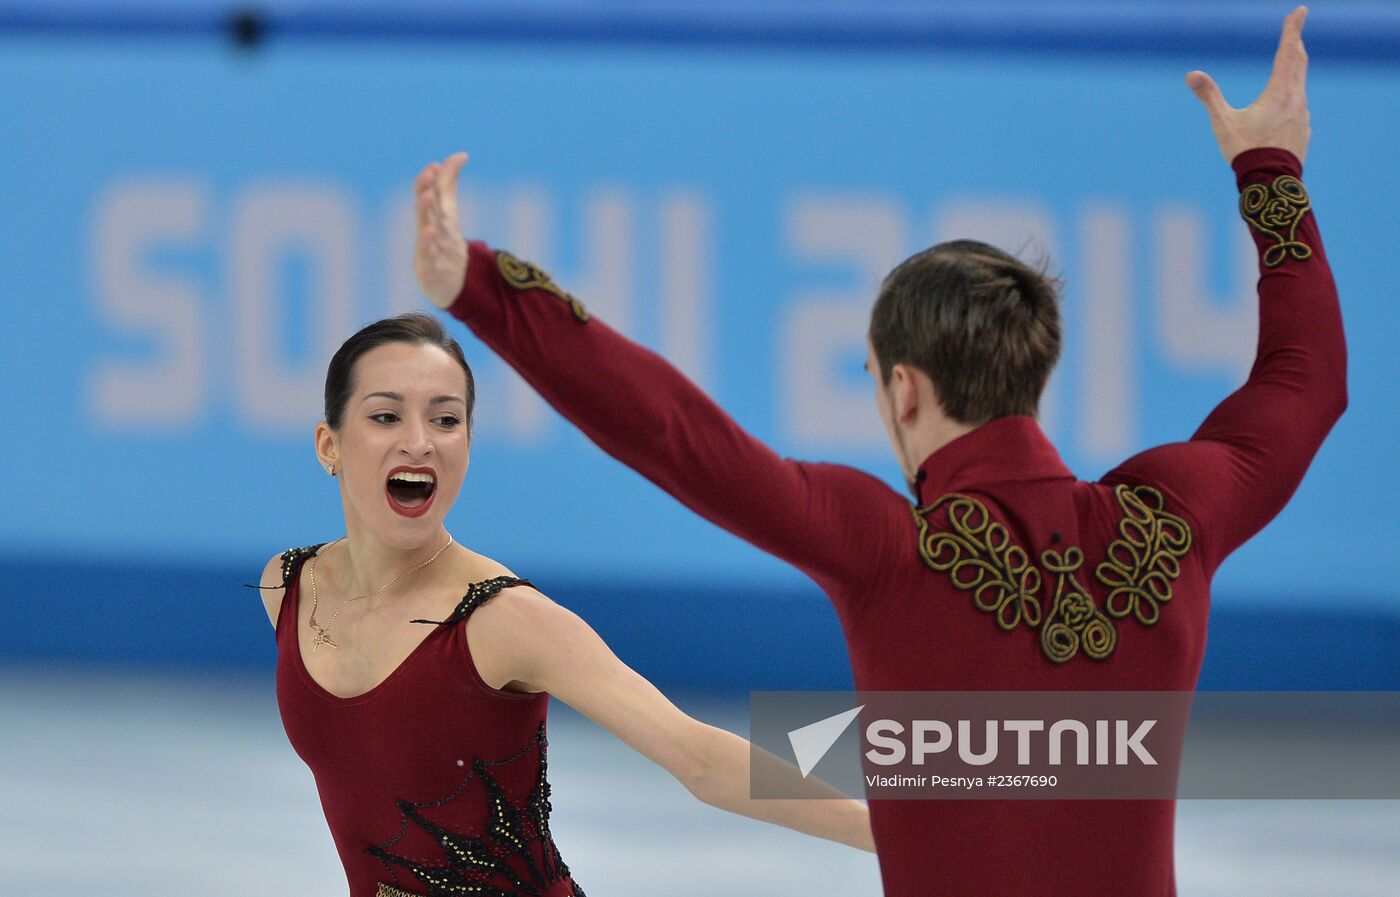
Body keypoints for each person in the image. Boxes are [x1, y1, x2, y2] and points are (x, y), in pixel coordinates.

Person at [411, 7, 1345, 896]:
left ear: (903, 386)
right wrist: (1271, 171)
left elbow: (677, 435)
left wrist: (484, 289)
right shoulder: (1169, 523)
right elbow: (1305, 382)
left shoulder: (892, 551)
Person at [252, 313, 874, 897]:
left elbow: (698, 756)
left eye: (446, 420)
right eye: (386, 417)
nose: (420, 442)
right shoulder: (289, 586)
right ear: (329, 445)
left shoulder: (503, 620)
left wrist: (887, 836)